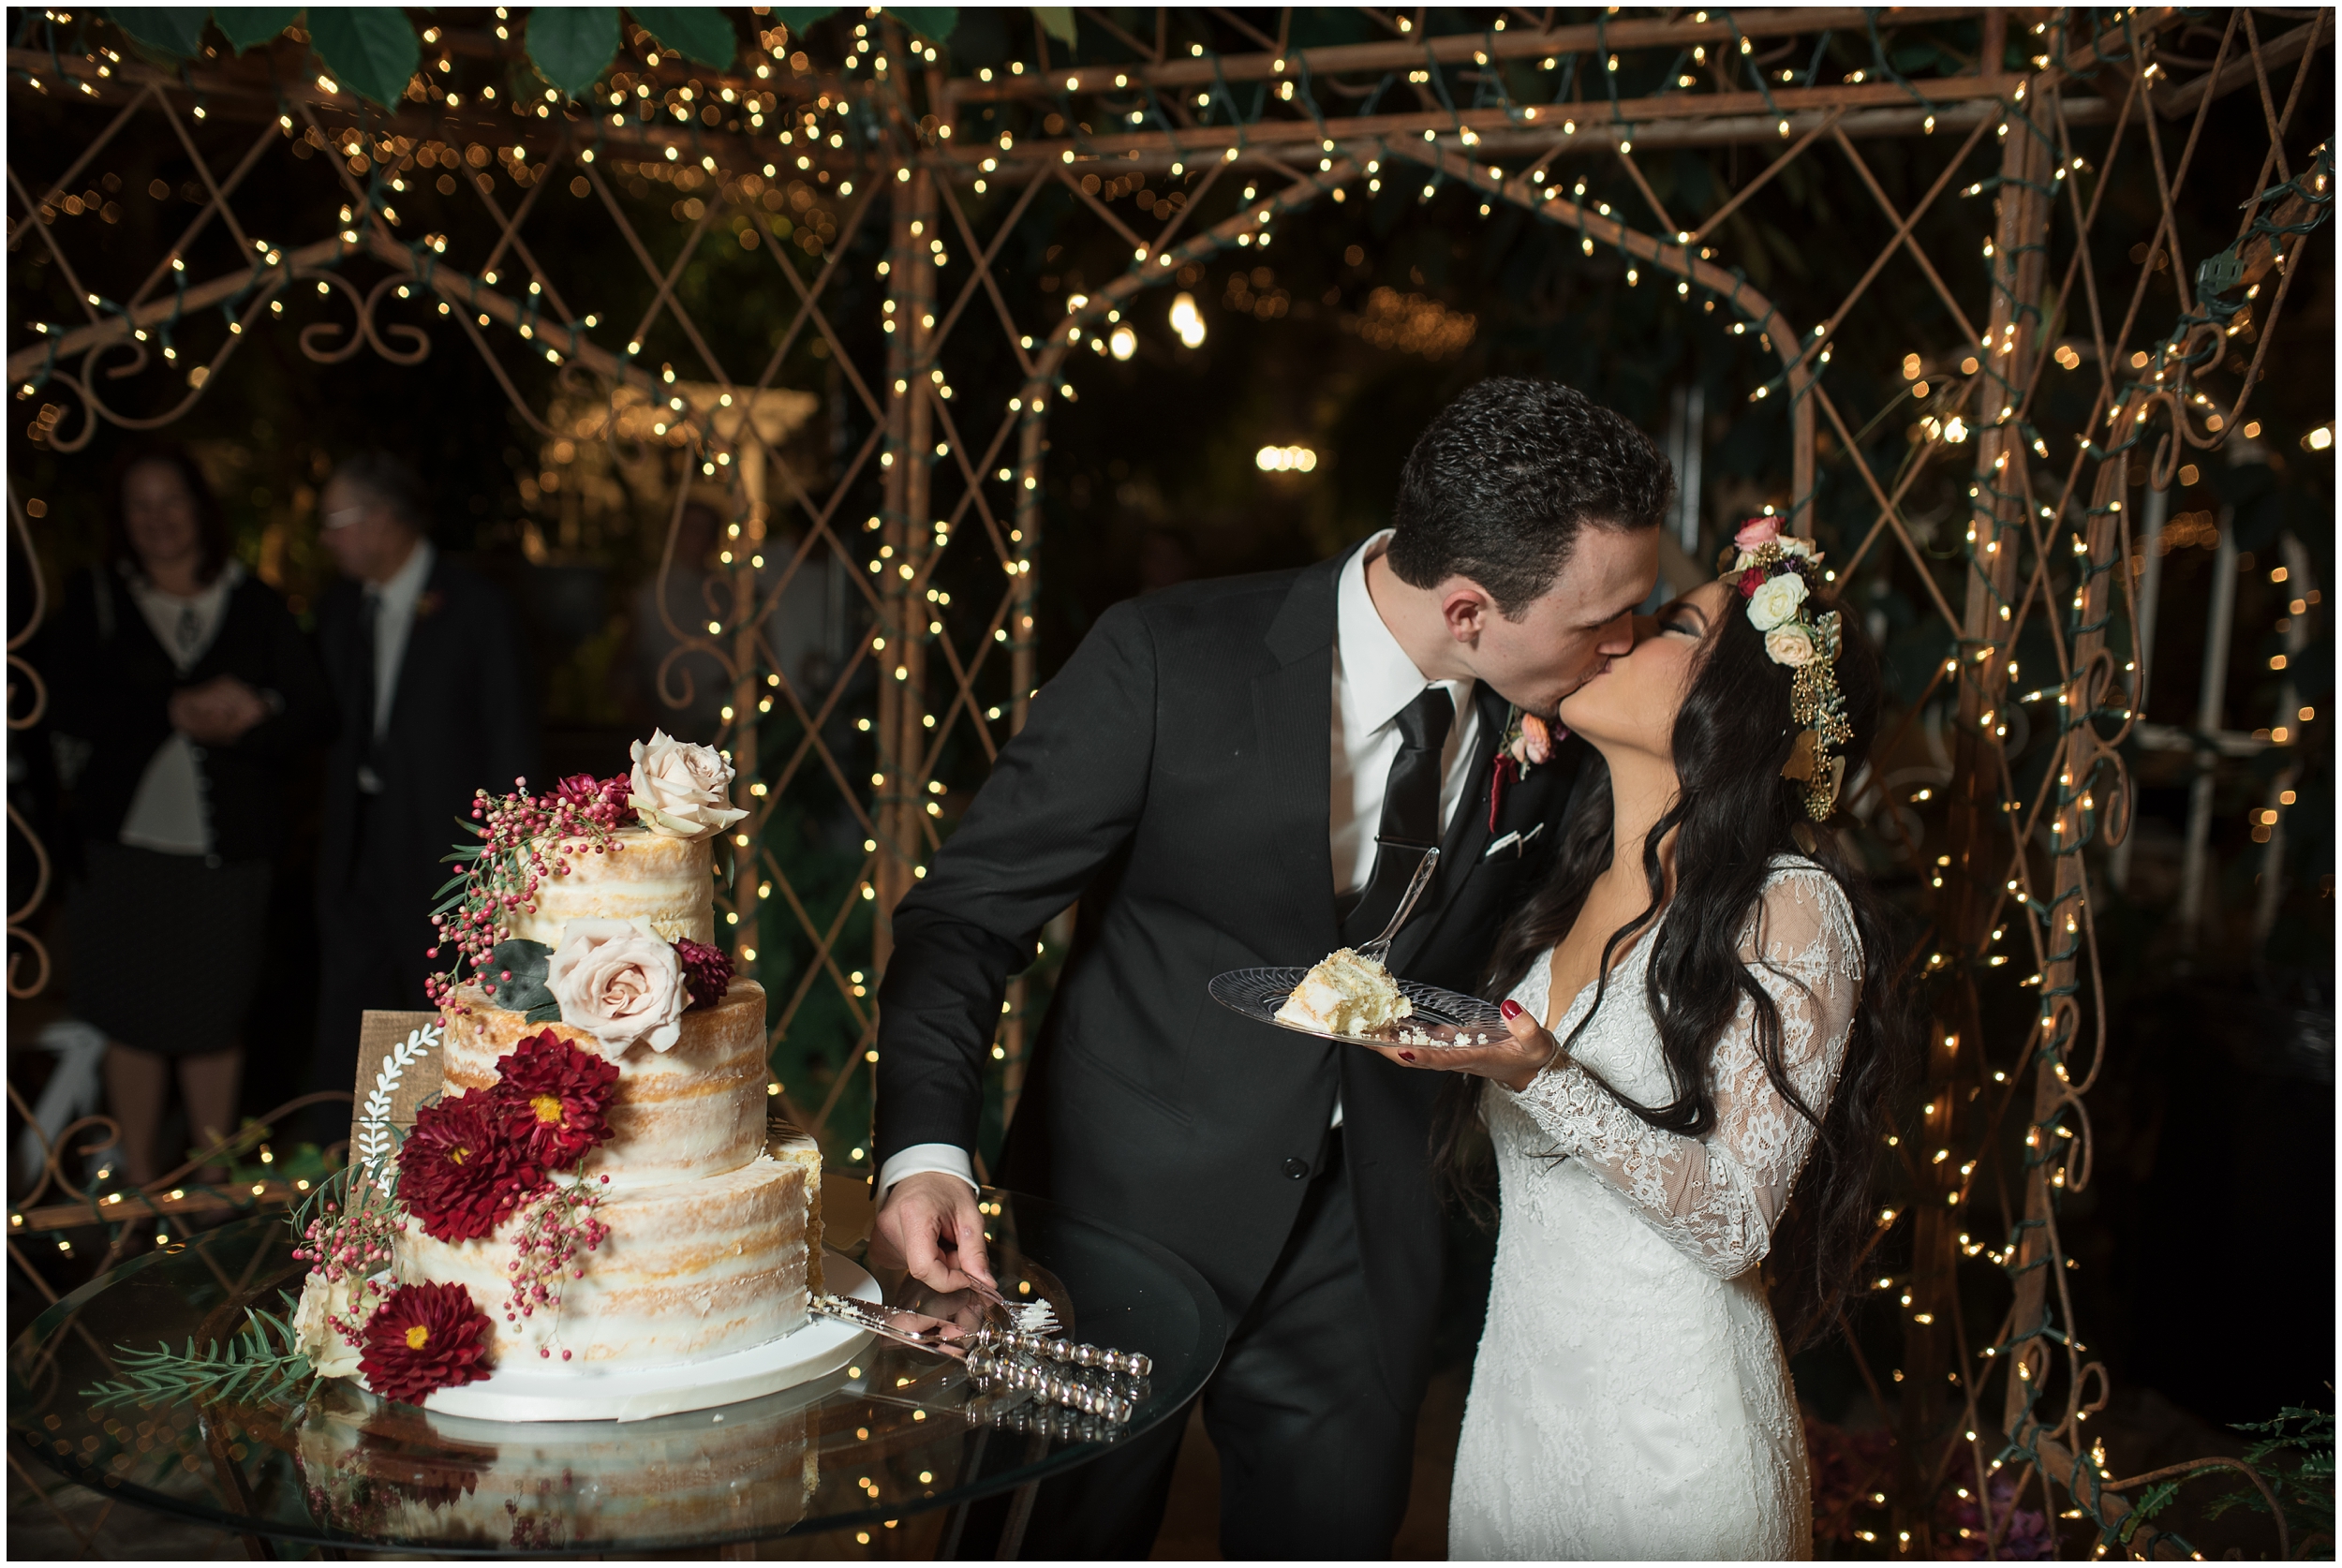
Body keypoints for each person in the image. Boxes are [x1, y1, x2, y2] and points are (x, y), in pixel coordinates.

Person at [871, 377, 1672, 1557]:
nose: (1626, 643)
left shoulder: (1559, 722)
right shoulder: (1161, 659)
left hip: (1365, 1246)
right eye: (1601, 619)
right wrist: (924, 1154)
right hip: (1118, 1226)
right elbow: (963, 921)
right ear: (1467, 610)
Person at [1353, 519, 1913, 1558]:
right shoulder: (1562, 888)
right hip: (1518, 1419)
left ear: (1739, 703)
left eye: (1667, 627)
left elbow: (1738, 1221)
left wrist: (1542, 1074)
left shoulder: (1788, 911)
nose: (1617, 640)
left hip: (1672, 1448)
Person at [42, 446, 332, 1185]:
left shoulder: (256, 602)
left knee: (214, 1016)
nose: (157, 520)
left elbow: (312, 713)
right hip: (121, 853)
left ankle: (210, 1188)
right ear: (122, 519)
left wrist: (253, 713)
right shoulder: (96, 597)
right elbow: (59, 703)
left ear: (198, 509)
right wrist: (168, 709)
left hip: (228, 854)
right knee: (130, 1020)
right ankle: (139, 1191)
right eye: (140, 505)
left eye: (169, 501)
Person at [305, 451, 537, 1137]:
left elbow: (511, 739)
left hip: (448, 852)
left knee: (447, 1010)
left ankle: (452, 1161)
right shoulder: (340, 608)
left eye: (336, 521)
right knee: (351, 1002)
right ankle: (346, 1163)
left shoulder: (477, 606)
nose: (328, 538)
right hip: (358, 839)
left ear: (382, 520)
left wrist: (501, 862)